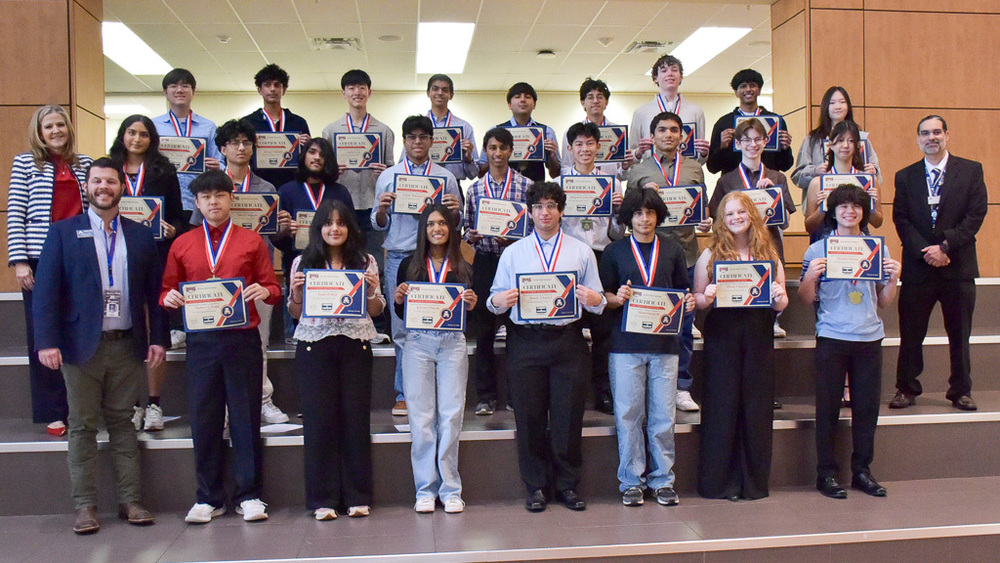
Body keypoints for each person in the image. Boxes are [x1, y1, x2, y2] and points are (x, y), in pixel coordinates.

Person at [33, 157, 168, 534]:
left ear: (121, 187)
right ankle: (85, 506)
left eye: (110, 181)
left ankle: (130, 501)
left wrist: (158, 337)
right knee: (81, 427)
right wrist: (47, 341)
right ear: (87, 187)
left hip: (126, 345)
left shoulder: (140, 235)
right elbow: (46, 293)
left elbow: (152, 294)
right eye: (96, 181)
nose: (103, 187)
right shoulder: (62, 232)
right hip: (79, 348)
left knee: (124, 425)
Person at [160, 170, 282, 524]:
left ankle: (250, 495)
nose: (213, 202)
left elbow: (272, 287)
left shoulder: (251, 241)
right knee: (205, 417)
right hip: (202, 342)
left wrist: (265, 292)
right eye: (206, 197)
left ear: (231, 199)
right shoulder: (182, 243)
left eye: (220, 195)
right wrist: (168, 298)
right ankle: (208, 497)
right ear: (196, 203)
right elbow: (166, 289)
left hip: (242, 339)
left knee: (245, 417)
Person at [488, 182, 607, 513]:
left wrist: (594, 299)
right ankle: (536, 486)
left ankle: (568, 486)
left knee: (568, 416)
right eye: (539, 206)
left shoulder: (581, 250)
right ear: (530, 212)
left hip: (567, 338)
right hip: (526, 340)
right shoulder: (514, 252)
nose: (545, 212)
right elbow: (493, 300)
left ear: (561, 210)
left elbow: (597, 301)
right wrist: (500, 299)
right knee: (529, 416)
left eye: (552, 205)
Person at [799, 184, 899, 499]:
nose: (849, 211)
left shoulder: (876, 249)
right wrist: (810, 276)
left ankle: (862, 472)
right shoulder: (817, 250)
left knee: (867, 409)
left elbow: (883, 301)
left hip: (869, 337)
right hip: (832, 335)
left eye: (856, 206)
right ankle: (826, 474)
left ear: (863, 211)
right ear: (833, 211)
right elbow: (806, 298)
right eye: (843, 206)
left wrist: (894, 277)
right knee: (827, 407)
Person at [191, 118, 293, 425]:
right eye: (234, 143)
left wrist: (283, 228)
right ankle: (221, 405)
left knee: (258, 343)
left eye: (246, 143)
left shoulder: (266, 188)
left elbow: (273, 237)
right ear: (222, 148)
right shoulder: (209, 186)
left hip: (255, 277)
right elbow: (197, 231)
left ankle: (262, 399)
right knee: (217, 345)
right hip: (215, 277)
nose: (240, 148)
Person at [287, 199, 384, 521]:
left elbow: (376, 311)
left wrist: (370, 291)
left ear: (349, 228)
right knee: (318, 423)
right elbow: (295, 314)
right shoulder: (302, 263)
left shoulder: (366, 261)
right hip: (315, 347)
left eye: (341, 223)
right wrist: (298, 294)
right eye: (328, 223)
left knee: (355, 421)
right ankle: (322, 499)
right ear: (318, 229)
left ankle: (357, 496)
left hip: (355, 345)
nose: (334, 228)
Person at [599, 188, 693, 507]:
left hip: (665, 344)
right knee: (628, 414)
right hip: (625, 345)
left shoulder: (673, 249)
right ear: (629, 217)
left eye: (650, 213)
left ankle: (663, 479)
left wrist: (689, 300)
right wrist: (616, 298)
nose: (644, 219)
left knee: (663, 416)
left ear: (658, 216)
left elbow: (683, 292)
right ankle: (631, 480)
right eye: (638, 213)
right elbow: (605, 298)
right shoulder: (614, 251)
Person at [693, 191, 788, 501]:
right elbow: (697, 301)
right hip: (723, 335)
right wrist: (706, 294)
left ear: (752, 217)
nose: (735, 218)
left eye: (741, 213)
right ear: (722, 219)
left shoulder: (769, 255)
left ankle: (753, 483)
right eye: (729, 213)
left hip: (758, 334)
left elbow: (782, 301)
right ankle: (720, 483)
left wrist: (778, 296)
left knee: (756, 408)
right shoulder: (710, 255)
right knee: (722, 407)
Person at [891, 115, 987, 412]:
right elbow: (901, 219)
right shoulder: (905, 176)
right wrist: (926, 251)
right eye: (924, 133)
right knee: (911, 332)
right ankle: (906, 389)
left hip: (957, 266)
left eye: (936, 132)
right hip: (919, 268)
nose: (931, 137)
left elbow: (976, 215)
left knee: (959, 333)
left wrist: (945, 246)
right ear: (918, 139)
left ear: (947, 135)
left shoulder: (971, 171)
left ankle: (961, 390)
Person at [7, 105, 92, 436]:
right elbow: (16, 213)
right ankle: (53, 411)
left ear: (69, 128)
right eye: (49, 127)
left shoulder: (84, 163)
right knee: (42, 333)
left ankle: (80, 407)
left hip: (79, 255)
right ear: (39, 133)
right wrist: (20, 260)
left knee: (78, 332)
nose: (55, 131)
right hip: (40, 256)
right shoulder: (26, 163)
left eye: (60, 125)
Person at [373, 115, 462, 417]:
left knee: (438, 324)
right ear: (404, 141)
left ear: (431, 141)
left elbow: (456, 222)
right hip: (400, 256)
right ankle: (404, 393)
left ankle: (436, 388)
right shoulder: (388, 176)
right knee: (402, 328)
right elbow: (378, 223)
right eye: (411, 137)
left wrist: (456, 211)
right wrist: (383, 209)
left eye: (423, 136)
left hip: (437, 257)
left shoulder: (446, 177)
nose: (417, 142)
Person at [393, 205, 477, 514]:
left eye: (442, 223)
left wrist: (471, 304)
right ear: (423, 230)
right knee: (422, 419)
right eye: (430, 224)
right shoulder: (409, 265)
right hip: (418, 344)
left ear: (451, 229)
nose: (437, 228)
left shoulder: (464, 265)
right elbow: (402, 314)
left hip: (453, 344)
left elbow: (473, 315)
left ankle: (451, 489)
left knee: (451, 415)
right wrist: (399, 299)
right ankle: (425, 489)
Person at [626, 111, 710, 413]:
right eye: (662, 130)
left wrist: (704, 222)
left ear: (682, 135)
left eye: (675, 130)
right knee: (650, 323)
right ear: (652, 136)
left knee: (684, 326)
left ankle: (681, 386)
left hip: (686, 253)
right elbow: (630, 211)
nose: (669, 135)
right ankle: (650, 384)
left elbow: (703, 207)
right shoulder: (638, 170)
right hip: (651, 257)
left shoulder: (694, 168)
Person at [108, 114, 185, 432]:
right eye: (131, 133)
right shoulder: (109, 169)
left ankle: (154, 403)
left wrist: (171, 230)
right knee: (126, 333)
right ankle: (132, 403)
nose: (136, 139)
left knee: (156, 330)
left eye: (143, 134)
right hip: (114, 259)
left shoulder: (163, 171)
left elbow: (181, 217)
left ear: (152, 139)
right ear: (122, 136)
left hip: (154, 257)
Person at [463, 127, 533, 415]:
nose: (497, 153)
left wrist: (515, 239)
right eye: (492, 147)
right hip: (486, 261)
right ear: (486, 151)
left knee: (518, 330)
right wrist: (473, 236)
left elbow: (532, 229)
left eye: (503, 148)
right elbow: (466, 229)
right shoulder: (475, 189)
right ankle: (486, 396)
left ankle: (517, 394)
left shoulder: (526, 186)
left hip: (516, 263)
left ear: (510, 150)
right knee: (485, 333)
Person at [708, 117, 797, 341]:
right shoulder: (726, 181)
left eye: (758, 139)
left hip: (768, 243)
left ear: (766, 141)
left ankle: (774, 319)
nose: (752, 145)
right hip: (734, 248)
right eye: (746, 140)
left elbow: (785, 221)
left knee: (771, 287)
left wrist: (771, 198)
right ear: (737, 144)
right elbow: (716, 219)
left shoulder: (777, 178)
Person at [561, 121, 625, 414]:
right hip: (568, 259)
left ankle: (603, 392)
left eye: (590, 144)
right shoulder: (561, 184)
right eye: (578, 145)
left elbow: (616, 234)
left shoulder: (611, 184)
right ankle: (571, 393)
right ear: (570, 149)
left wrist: (617, 212)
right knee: (569, 329)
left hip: (601, 257)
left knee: (603, 331)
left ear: (598, 147)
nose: (584, 150)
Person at [273, 138, 354, 340]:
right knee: (296, 320)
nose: (317, 157)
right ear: (303, 156)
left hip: (335, 264)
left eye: (323, 154)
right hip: (297, 260)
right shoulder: (286, 190)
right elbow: (276, 239)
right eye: (312, 152)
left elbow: (353, 229)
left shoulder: (339, 191)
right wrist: (284, 231)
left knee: (334, 319)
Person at [321, 69, 394, 265]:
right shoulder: (330, 131)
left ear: (369, 92)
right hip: (341, 206)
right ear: (343, 93)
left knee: (373, 262)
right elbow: (322, 173)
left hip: (372, 205)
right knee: (341, 260)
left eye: (362, 87)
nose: (357, 92)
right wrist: (333, 172)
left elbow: (392, 170)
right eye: (351, 88)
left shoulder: (383, 131)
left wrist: (384, 173)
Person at [152, 68, 224, 221]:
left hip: (200, 204)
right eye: (173, 86)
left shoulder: (208, 127)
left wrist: (218, 167)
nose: (179, 90)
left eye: (185, 85)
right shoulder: (154, 126)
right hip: (166, 201)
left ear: (193, 91)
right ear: (165, 92)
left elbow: (222, 163)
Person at [790, 86, 881, 199]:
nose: (838, 106)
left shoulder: (861, 138)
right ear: (825, 107)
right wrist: (815, 171)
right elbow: (796, 177)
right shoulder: (813, 139)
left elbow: (877, 175)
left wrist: (874, 170)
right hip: (822, 204)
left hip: (855, 205)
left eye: (842, 102)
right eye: (832, 103)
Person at [803, 120, 882, 242]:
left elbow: (878, 223)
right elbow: (809, 227)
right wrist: (822, 209)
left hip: (859, 243)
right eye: (840, 140)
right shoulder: (817, 183)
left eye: (851, 141)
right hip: (823, 242)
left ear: (857, 146)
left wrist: (870, 204)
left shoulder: (868, 180)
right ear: (830, 145)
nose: (845, 145)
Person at [706, 68, 794, 174]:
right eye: (743, 86)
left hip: (767, 182)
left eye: (753, 85)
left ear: (759, 90)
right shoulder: (724, 123)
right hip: (733, 185)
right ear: (736, 92)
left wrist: (785, 148)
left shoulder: (776, 121)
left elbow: (785, 166)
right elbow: (712, 168)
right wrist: (722, 147)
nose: (748, 89)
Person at [242, 63, 311, 190]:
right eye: (267, 85)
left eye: (277, 85)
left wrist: (308, 145)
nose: (272, 89)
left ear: (283, 90)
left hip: (293, 185)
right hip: (258, 184)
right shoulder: (247, 123)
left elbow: (308, 159)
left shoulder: (298, 122)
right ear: (260, 90)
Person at [629, 55, 708, 164]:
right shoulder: (641, 112)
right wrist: (638, 153)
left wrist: (704, 154)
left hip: (685, 173)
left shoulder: (696, 111)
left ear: (681, 77)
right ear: (655, 77)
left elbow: (700, 157)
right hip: (651, 171)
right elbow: (631, 154)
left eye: (674, 70)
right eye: (664, 71)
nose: (670, 74)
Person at [479, 82, 560, 182]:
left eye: (527, 97)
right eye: (517, 97)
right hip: (503, 191)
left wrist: (553, 156)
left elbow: (556, 175)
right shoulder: (494, 132)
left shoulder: (546, 132)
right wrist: (496, 157)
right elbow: (480, 173)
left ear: (534, 104)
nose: (522, 100)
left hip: (536, 191)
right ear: (509, 105)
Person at [560, 77, 635, 178]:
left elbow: (622, 174)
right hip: (580, 189)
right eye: (590, 97)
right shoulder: (571, 133)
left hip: (610, 188)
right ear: (583, 103)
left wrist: (625, 167)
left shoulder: (619, 133)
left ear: (606, 102)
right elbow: (565, 167)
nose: (595, 101)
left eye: (600, 97)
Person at [421, 74, 479, 184]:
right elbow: (404, 162)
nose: (440, 93)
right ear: (428, 93)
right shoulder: (417, 127)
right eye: (435, 89)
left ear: (451, 95)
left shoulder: (464, 127)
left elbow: (474, 174)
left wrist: (468, 159)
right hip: (423, 186)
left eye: (445, 90)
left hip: (453, 186)